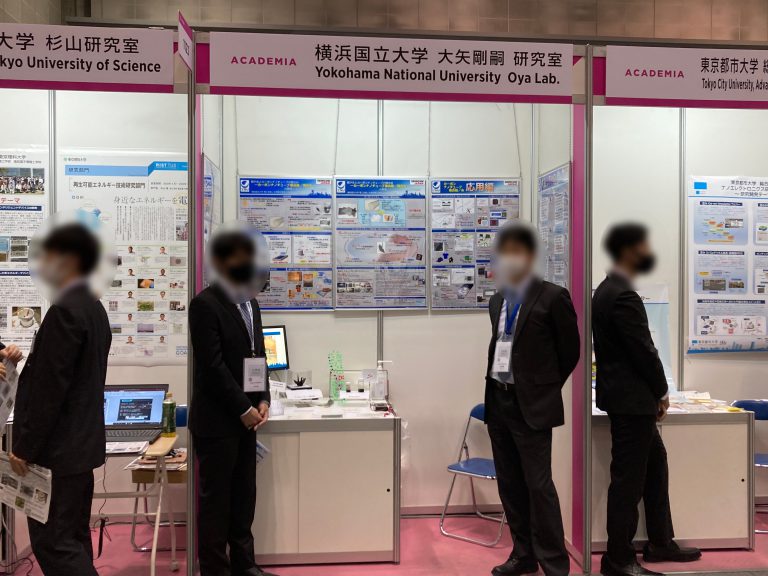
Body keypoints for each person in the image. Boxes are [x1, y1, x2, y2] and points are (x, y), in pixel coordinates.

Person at [593, 223, 701, 576]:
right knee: (628, 480)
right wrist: (662, 391)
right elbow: (643, 350)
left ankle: (660, 541)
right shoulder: (622, 295)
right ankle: (618, 559)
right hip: (632, 402)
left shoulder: (606, 290)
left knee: (655, 465)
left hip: (625, 399)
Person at [10, 223, 110, 576]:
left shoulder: (66, 310)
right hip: (79, 452)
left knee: (55, 543)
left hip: (58, 453)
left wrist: (25, 446)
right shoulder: (93, 307)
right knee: (74, 537)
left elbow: (49, 391)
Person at [484, 221, 580, 576]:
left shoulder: (553, 296)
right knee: (510, 484)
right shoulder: (498, 300)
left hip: (533, 406)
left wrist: (542, 388)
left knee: (539, 486)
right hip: (499, 402)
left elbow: (570, 352)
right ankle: (523, 554)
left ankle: (554, 563)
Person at [189, 229, 275, 576]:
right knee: (216, 503)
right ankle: (215, 570)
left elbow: (258, 355)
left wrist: (263, 397)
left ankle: (245, 566)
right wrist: (243, 408)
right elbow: (212, 367)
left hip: (249, 420)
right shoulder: (205, 304)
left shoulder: (250, 303)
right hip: (218, 422)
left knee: (244, 497)